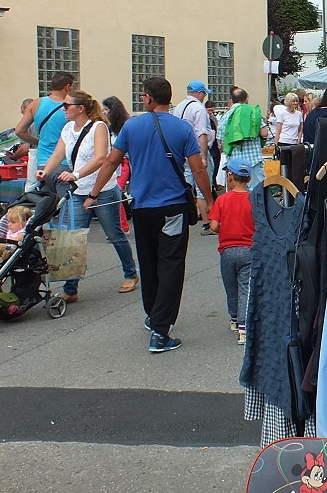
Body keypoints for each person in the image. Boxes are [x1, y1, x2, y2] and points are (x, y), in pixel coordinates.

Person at [88, 77, 213, 354]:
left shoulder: (132, 126)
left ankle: (153, 315)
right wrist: (209, 200)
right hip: (173, 208)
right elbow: (198, 169)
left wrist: (93, 193)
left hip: (142, 206)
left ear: (147, 98)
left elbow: (111, 161)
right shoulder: (182, 128)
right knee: (171, 264)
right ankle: (160, 329)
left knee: (149, 262)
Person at [38, 90, 139, 300]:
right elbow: (58, 154)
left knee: (114, 234)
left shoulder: (98, 127)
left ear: (80, 108)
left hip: (102, 190)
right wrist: (45, 171)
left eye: (66, 106)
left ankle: (130, 273)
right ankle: (70, 288)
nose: (63, 109)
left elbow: (102, 158)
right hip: (77, 191)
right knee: (72, 237)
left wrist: (75, 174)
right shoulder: (67, 129)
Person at [208, 158, 256, 340]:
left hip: (227, 250)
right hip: (248, 249)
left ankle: (234, 318)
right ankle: (244, 328)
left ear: (229, 177)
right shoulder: (254, 200)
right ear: (249, 179)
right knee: (245, 287)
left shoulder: (222, 200)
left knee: (231, 287)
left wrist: (225, 227)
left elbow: (213, 226)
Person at [16, 72, 75, 180]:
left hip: (42, 161)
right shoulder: (71, 108)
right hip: (65, 161)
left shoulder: (36, 104)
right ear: (67, 87)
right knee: (65, 196)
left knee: (46, 196)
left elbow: (19, 131)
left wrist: (38, 141)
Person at [174, 80, 213, 235]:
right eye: (203, 93)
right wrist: (203, 156)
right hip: (196, 150)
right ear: (199, 93)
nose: (204, 96)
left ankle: (182, 219)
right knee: (203, 186)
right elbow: (202, 133)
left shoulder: (179, 107)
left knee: (186, 186)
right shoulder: (199, 108)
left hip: (182, 151)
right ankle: (207, 223)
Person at [102, 96, 133, 232]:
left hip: (123, 163)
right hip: (114, 163)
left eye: (106, 109)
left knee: (116, 194)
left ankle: (122, 226)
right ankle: (119, 225)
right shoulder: (107, 126)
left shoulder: (126, 125)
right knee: (115, 194)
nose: (103, 112)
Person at [221, 87, 266, 176]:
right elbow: (264, 133)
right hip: (253, 162)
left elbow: (222, 142)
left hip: (234, 164)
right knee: (255, 189)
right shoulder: (253, 112)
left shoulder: (225, 116)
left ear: (232, 101)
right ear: (246, 100)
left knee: (237, 189)